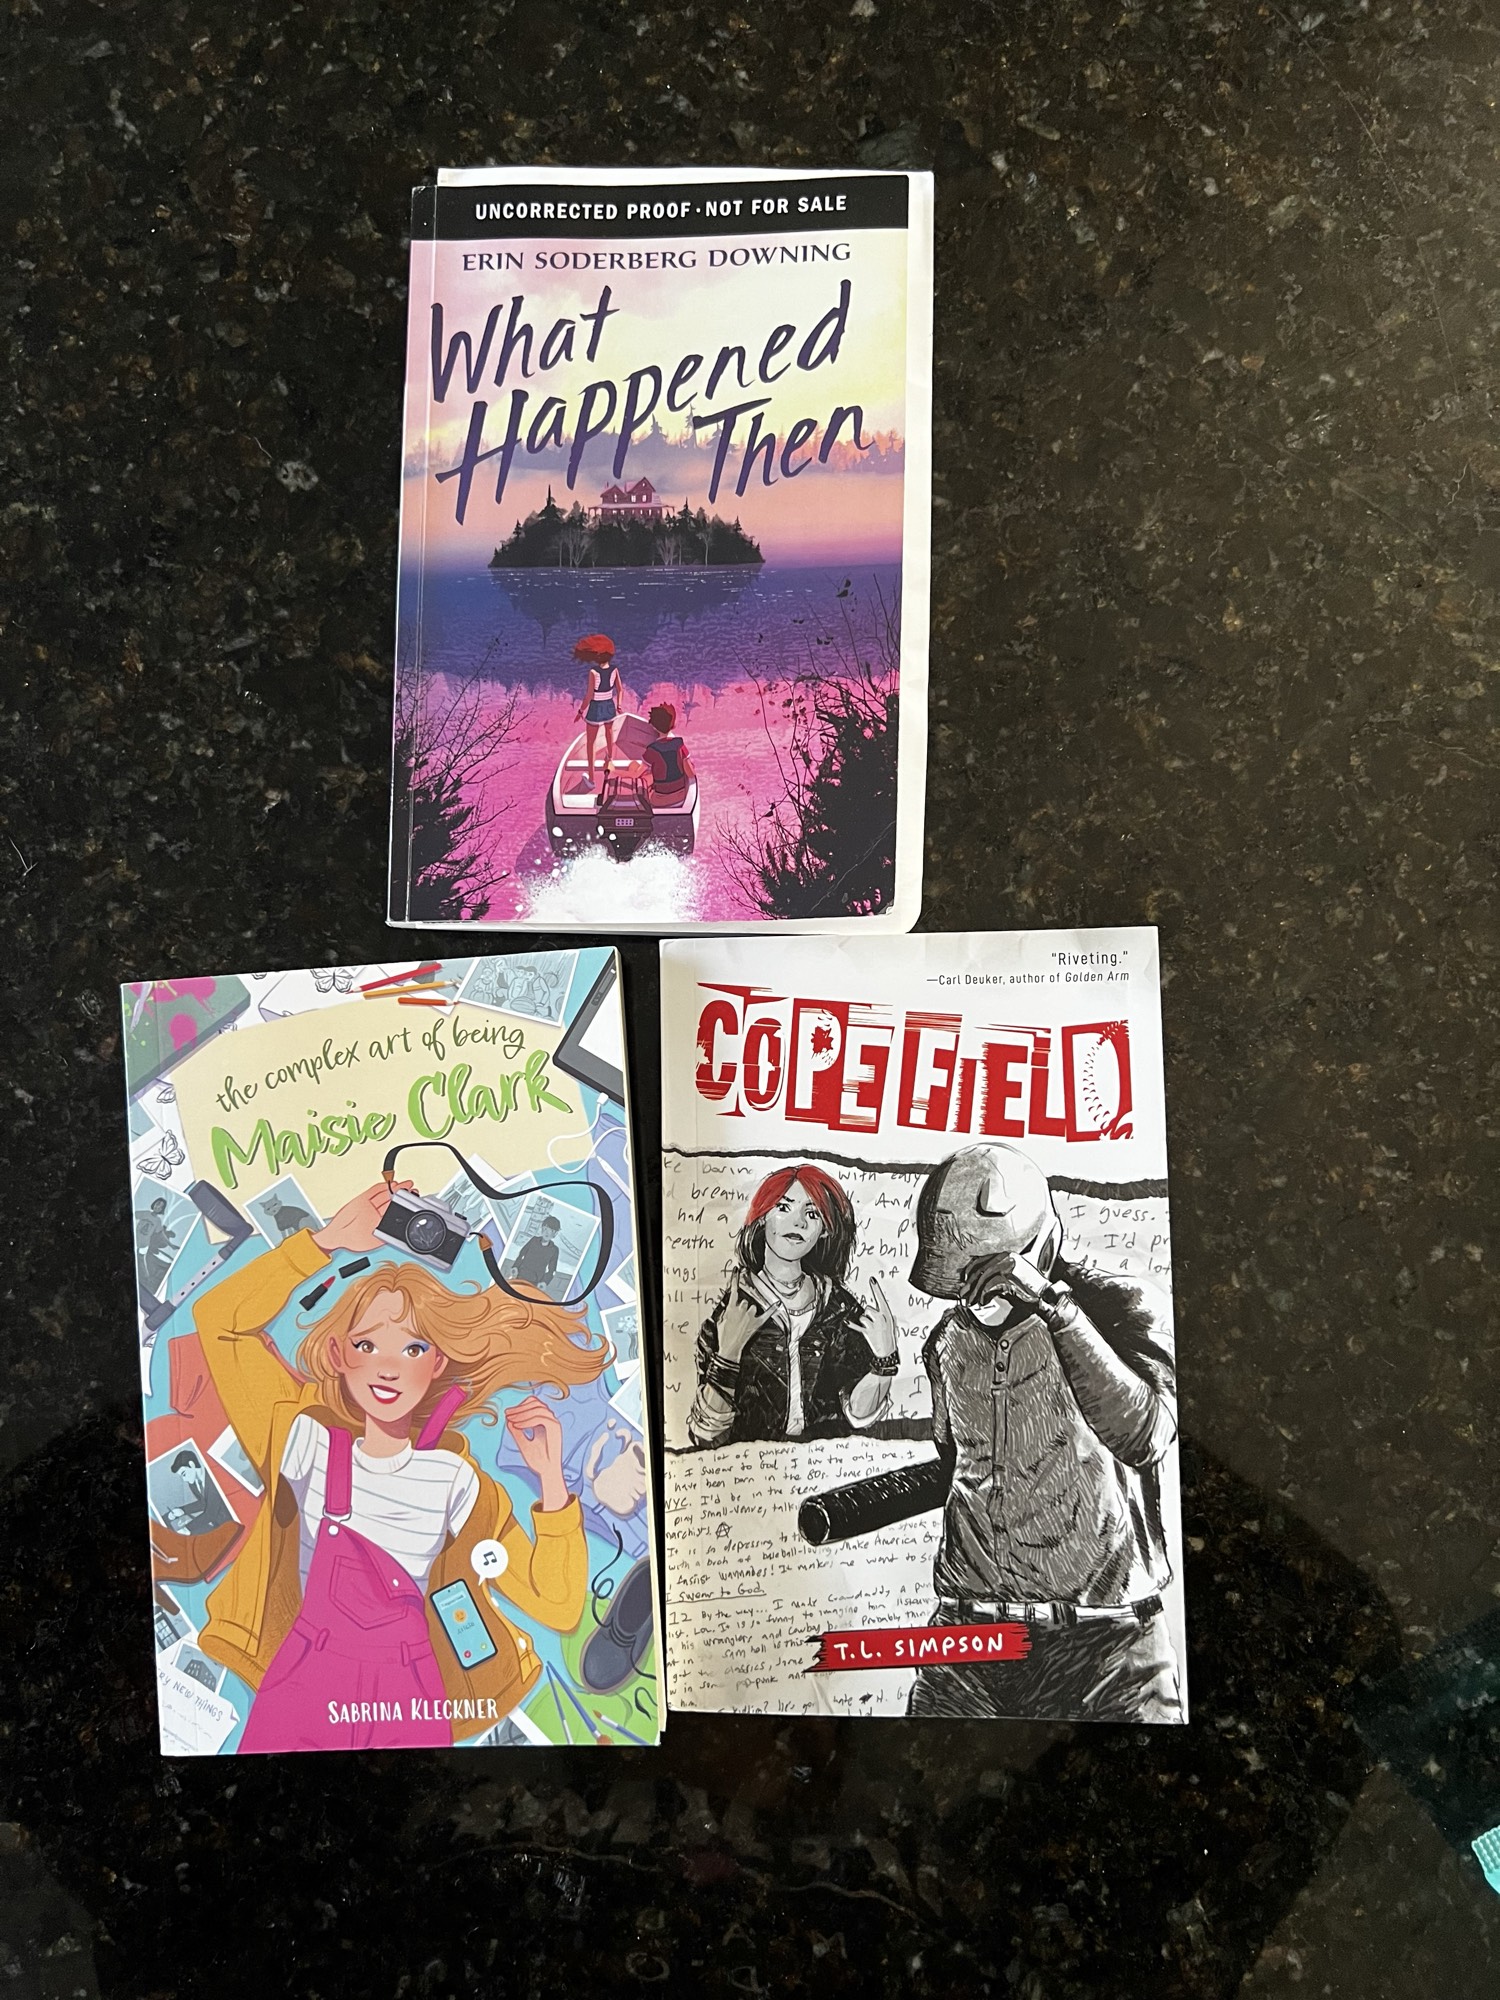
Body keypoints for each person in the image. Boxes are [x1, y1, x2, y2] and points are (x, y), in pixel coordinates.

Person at [190, 1177, 607, 1752]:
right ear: (338, 1354)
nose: (388, 1368)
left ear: (438, 1363)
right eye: (366, 1345)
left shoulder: (459, 1483)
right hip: (305, 1692)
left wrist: (552, 1480)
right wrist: (325, 1242)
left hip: (412, 1700)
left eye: (412, 1348)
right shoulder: (301, 1439)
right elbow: (218, 1320)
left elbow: (556, 1605)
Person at [904, 1143, 1182, 1724]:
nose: (972, 1300)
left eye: (985, 1278)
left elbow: (1147, 1435)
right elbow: (956, 1460)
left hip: (1107, 1651)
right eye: (957, 1285)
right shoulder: (946, 1343)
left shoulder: (1122, 1309)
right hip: (968, 1641)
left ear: (1042, 1247)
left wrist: (1056, 1311)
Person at [689, 1164, 898, 1447]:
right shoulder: (736, 1308)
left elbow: (857, 1414)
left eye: (812, 1214)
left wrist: (884, 1360)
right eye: (783, 1208)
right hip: (751, 1464)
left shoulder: (838, 1307)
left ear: (825, 1230)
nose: (798, 1223)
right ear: (762, 1217)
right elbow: (706, 1434)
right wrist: (728, 1352)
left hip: (826, 1460)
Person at [572, 633, 623, 795]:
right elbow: (620, 690)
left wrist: (581, 711)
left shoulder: (593, 672)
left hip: (596, 707)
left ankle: (592, 779)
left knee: (591, 743)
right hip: (609, 706)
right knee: (609, 733)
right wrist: (619, 705)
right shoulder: (615, 670)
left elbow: (589, 696)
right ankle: (610, 760)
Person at [638, 702, 695, 806]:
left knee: (643, 778)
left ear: (654, 726)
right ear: (673, 724)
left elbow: (636, 774)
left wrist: (614, 770)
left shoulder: (652, 750)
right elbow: (691, 773)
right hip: (680, 797)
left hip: (659, 800)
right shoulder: (680, 745)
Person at [509, 1215, 562, 1293]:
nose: (547, 1232)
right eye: (545, 1228)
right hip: (520, 1276)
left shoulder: (554, 1250)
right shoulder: (533, 1240)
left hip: (535, 1283)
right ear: (542, 1228)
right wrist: (515, 1267)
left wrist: (544, 1282)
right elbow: (521, 1255)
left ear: (555, 1233)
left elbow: (552, 1270)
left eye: (551, 1230)